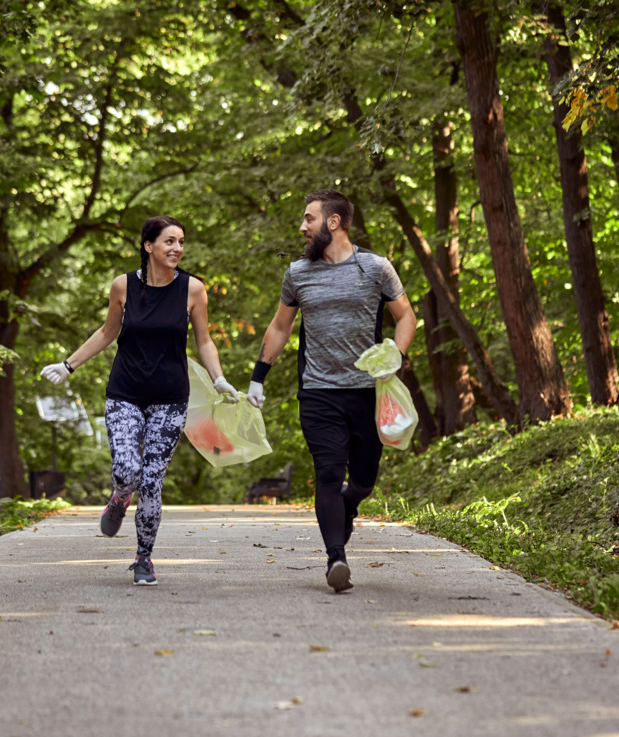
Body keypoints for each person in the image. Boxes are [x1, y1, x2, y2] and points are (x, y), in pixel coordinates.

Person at [40, 216, 237, 587]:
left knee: (151, 480)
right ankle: (118, 498)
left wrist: (220, 379)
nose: (177, 248)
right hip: (125, 394)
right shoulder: (123, 286)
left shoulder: (193, 290)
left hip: (171, 399)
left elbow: (204, 340)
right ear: (148, 246)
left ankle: (143, 558)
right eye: (169, 241)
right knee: (128, 473)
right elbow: (106, 332)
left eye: (181, 242)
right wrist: (69, 366)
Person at [247, 190, 416, 593]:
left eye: (309, 219)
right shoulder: (298, 273)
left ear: (334, 222)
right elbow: (280, 327)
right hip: (319, 390)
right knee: (326, 472)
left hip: (367, 393)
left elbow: (406, 316)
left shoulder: (375, 268)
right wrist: (258, 376)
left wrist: (397, 354)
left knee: (363, 480)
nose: (303, 227)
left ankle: (349, 506)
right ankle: (335, 558)